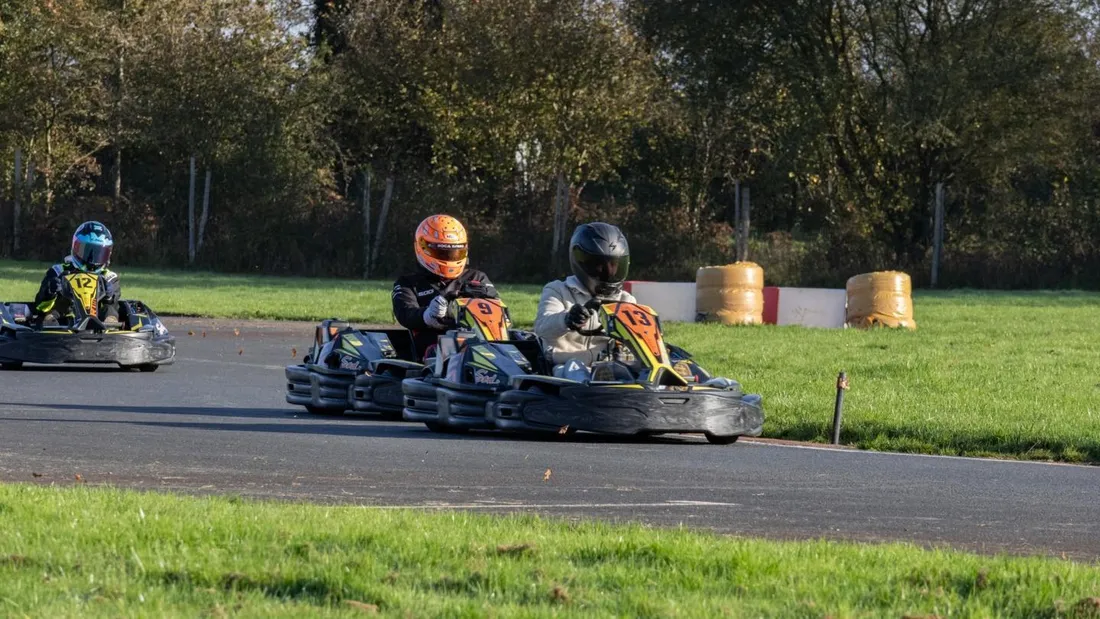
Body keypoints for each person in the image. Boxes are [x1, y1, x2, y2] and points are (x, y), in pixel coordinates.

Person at [391, 214, 499, 359]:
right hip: (434, 353)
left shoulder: (477, 278)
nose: (449, 258)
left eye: (455, 253)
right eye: (442, 253)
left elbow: (498, 315)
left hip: (481, 347)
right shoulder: (408, 283)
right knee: (444, 351)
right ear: (423, 248)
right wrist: (427, 315)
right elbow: (405, 314)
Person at [534, 222, 636, 369]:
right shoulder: (558, 290)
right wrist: (567, 319)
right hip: (564, 367)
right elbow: (541, 328)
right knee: (573, 369)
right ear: (583, 262)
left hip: (608, 368)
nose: (608, 271)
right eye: (600, 264)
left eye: (613, 264)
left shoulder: (626, 300)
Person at [35, 221, 121, 325]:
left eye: (98, 253)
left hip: (98, 322)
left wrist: (109, 297)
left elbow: (113, 304)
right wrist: (50, 292)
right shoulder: (58, 272)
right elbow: (40, 306)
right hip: (65, 320)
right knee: (54, 310)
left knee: (110, 310)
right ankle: (51, 325)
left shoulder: (110, 278)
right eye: (86, 251)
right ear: (75, 247)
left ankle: (111, 328)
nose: (91, 259)